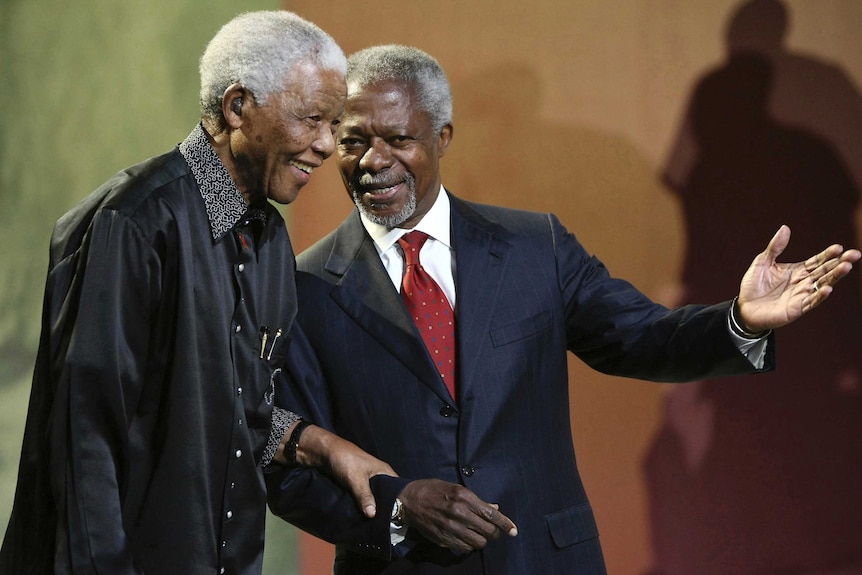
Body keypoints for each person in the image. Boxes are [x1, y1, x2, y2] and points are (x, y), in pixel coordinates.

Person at [265, 45, 861, 574]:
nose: (373, 161)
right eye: (353, 141)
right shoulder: (304, 286)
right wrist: (398, 506)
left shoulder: (534, 247)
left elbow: (641, 336)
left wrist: (739, 320)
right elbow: (287, 468)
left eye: (398, 139)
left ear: (441, 137)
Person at [0, 11, 392, 575]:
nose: (327, 145)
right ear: (237, 108)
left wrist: (319, 445)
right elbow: (83, 444)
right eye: (312, 120)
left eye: (334, 125)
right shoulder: (132, 223)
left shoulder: (268, 239)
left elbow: (237, 409)